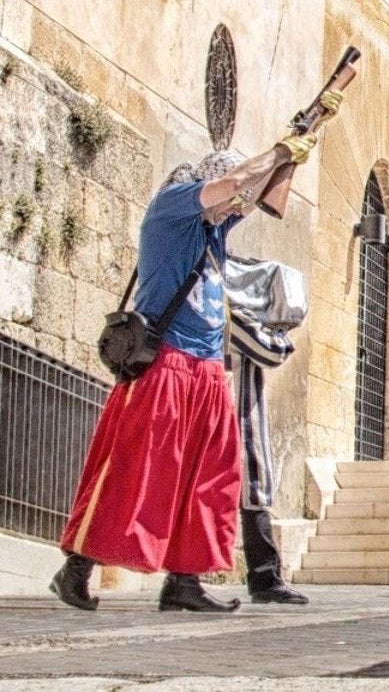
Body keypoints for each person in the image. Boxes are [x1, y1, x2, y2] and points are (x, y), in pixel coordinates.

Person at [52, 131, 326, 614]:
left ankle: (185, 581)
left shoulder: (212, 230)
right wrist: (280, 151)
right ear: (212, 180)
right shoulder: (174, 207)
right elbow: (238, 183)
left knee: (213, 475)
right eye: (231, 194)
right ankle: (76, 568)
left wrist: (295, 150)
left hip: (206, 369)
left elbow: (250, 191)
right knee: (135, 468)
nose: (237, 206)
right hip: (165, 363)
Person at [225, 255, 311, 605]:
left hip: (230, 408)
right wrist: (280, 334)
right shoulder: (234, 317)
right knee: (253, 487)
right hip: (237, 411)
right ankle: (264, 577)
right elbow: (273, 351)